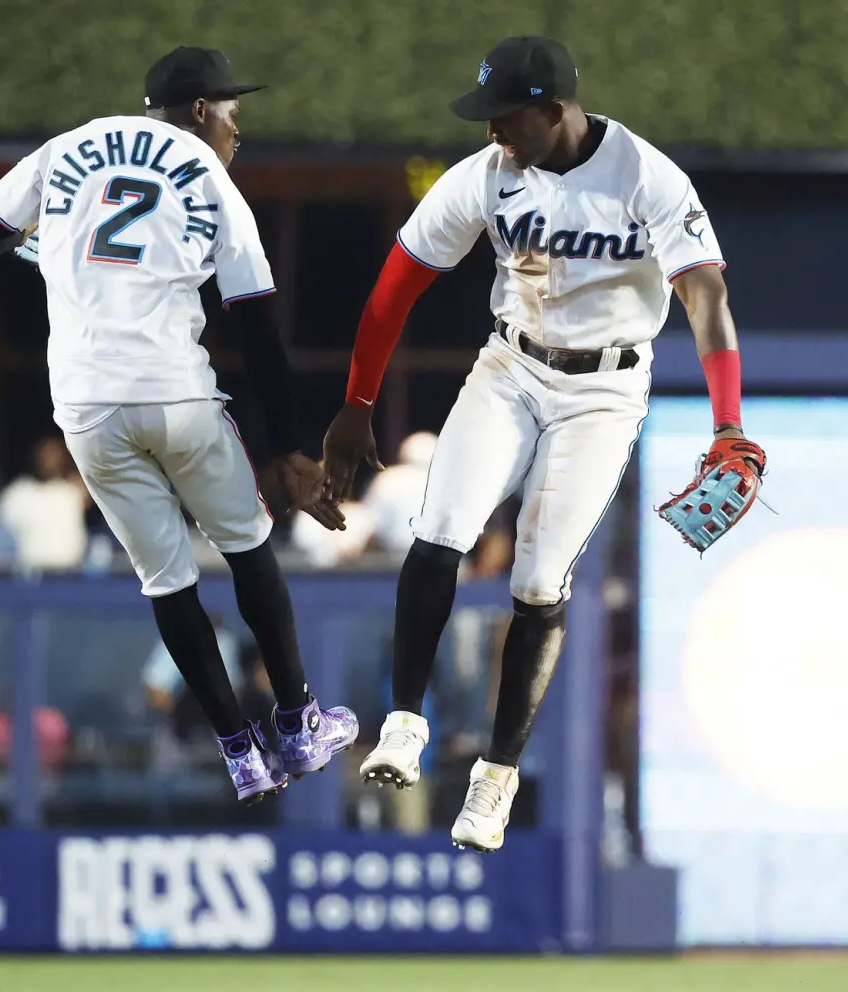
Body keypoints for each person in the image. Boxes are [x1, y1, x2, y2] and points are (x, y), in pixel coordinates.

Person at [320, 37, 766, 852]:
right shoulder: (484, 176)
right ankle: (404, 724)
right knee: (438, 529)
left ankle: (496, 777)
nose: (493, 130)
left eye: (506, 115)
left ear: (554, 110)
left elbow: (706, 295)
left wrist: (727, 423)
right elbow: (396, 285)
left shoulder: (646, 176)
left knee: (537, 577)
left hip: (605, 390)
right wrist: (356, 404)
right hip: (512, 367)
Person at [0, 45, 357, 803]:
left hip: (86, 410)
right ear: (200, 110)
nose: (237, 129)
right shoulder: (208, 172)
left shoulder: (67, 147)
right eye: (231, 112)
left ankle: (239, 752)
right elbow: (256, 323)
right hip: (176, 396)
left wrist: (43, 251)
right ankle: (298, 724)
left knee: (166, 580)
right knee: (247, 547)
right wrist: (287, 449)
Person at [0, 437, 88, 570]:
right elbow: (0, 532)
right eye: (45, 457)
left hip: (71, 573)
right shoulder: (18, 493)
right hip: (32, 574)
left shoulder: (73, 491)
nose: (50, 461)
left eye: (54, 456)